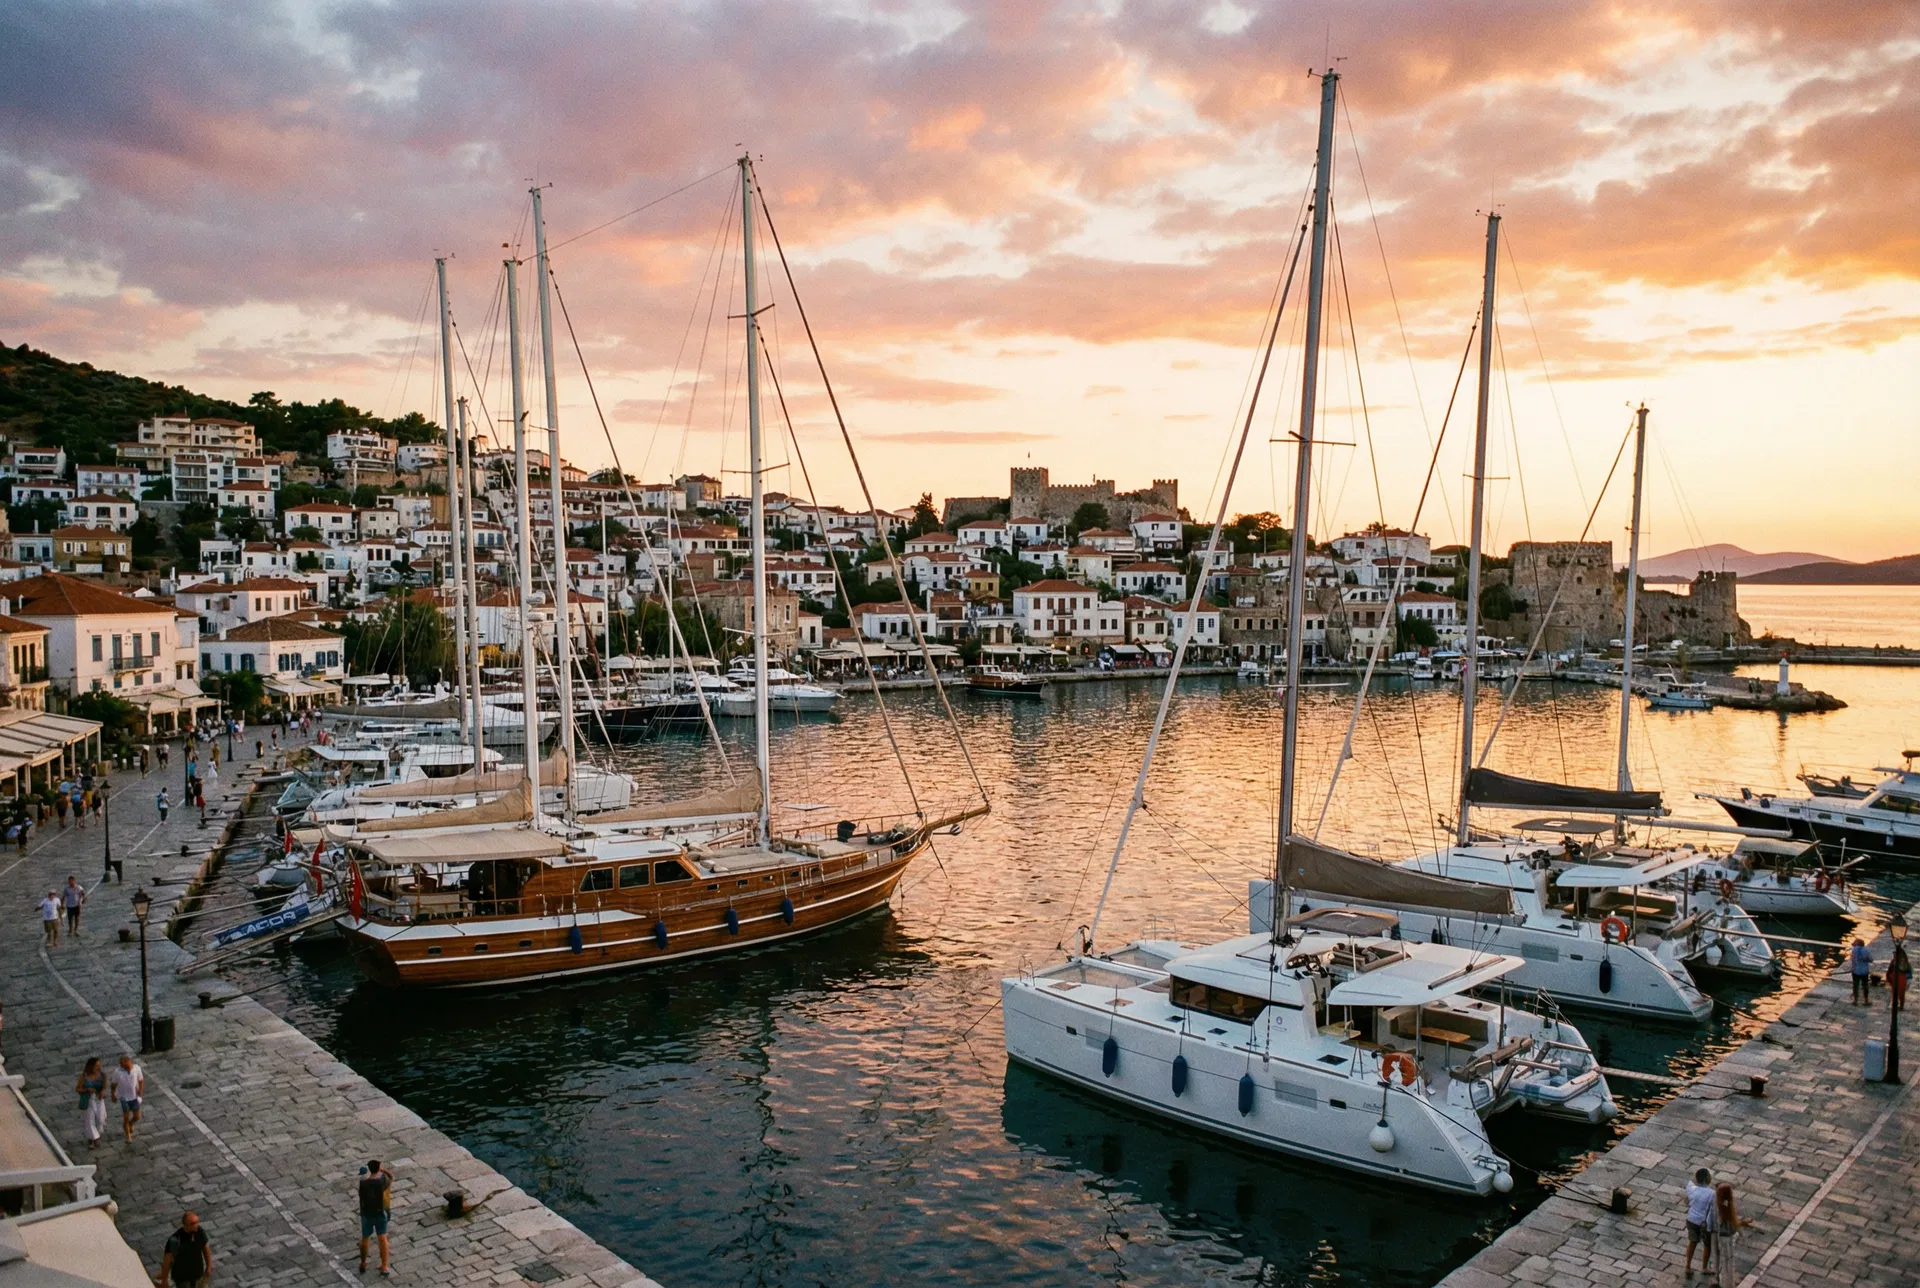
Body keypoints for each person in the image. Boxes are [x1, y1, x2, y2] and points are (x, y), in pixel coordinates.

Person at [157, 1211, 211, 1288]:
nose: (196, 1225)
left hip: (198, 1275)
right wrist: (164, 1280)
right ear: (186, 1225)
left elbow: (205, 1248)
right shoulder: (175, 1240)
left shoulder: (199, 1231)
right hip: (183, 1279)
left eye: (197, 1222)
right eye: (193, 1223)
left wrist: (209, 1267)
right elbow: (167, 1261)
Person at [357, 1158, 393, 1276]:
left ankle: (363, 1262)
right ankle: (384, 1266)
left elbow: (360, 1194)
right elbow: (391, 1177)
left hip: (366, 1213)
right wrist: (384, 1170)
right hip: (379, 1212)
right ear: (378, 1168)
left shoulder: (363, 1182)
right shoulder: (382, 1181)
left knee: (365, 1238)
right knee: (382, 1238)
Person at [1684, 1167, 1715, 1276]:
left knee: (1692, 1243)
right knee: (1707, 1245)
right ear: (1707, 1179)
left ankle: (1688, 1266)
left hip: (1691, 1219)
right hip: (1703, 1223)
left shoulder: (1692, 1189)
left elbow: (1687, 1198)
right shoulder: (1711, 1193)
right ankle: (1704, 1268)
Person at [108, 1054, 143, 1143]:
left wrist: (141, 1090)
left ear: (129, 1061)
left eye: (123, 1064)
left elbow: (141, 1080)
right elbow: (113, 1084)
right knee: (126, 1117)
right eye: (121, 1064)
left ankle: (130, 1124)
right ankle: (128, 1136)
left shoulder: (136, 1069)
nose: (122, 1066)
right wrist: (113, 1094)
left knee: (137, 1116)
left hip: (134, 1096)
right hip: (123, 1097)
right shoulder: (117, 1072)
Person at [76, 1056, 107, 1150]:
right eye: (96, 1065)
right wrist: (86, 1089)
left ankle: (96, 1135)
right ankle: (92, 1140)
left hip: (99, 1100)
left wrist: (102, 1092)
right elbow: (78, 1088)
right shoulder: (84, 1076)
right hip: (89, 1100)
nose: (98, 1067)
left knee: (100, 1119)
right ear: (91, 1066)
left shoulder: (102, 1075)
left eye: (99, 1065)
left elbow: (104, 1087)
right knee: (90, 1120)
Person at [1851, 938, 1874, 1005]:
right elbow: (1871, 959)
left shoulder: (1854, 950)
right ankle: (1866, 1001)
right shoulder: (1866, 950)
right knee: (1865, 986)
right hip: (1864, 971)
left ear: (1857, 943)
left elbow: (1853, 960)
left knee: (1855, 986)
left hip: (1855, 971)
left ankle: (1855, 1000)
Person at [1891, 939, 1911, 1013]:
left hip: (1900, 977)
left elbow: (1904, 968)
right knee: (1896, 992)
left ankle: (1900, 1005)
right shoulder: (1896, 960)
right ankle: (1897, 1004)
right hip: (1896, 977)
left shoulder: (1901, 961)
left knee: (1900, 992)